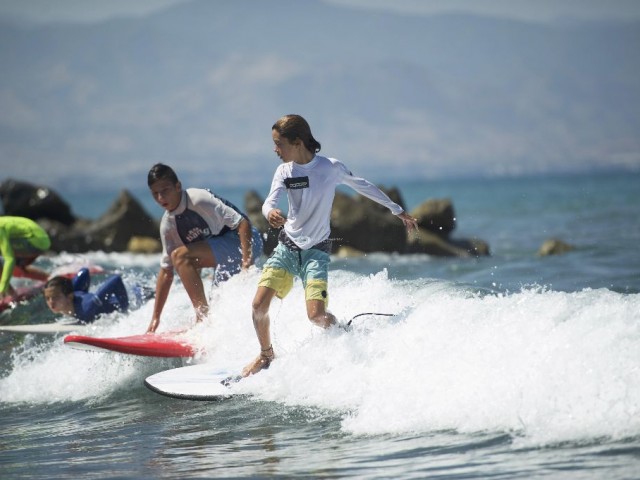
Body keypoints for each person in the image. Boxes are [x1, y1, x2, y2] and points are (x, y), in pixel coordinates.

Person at [242, 114, 419, 377]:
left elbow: (364, 186)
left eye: (279, 143)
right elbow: (269, 201)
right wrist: (269, 213)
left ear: (297, 142)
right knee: (258, 306)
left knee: (316, 316)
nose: (275, 149)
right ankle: (266, 355)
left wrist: (397, 210)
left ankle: (343, 334)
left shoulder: (330, 168)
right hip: (287, 248)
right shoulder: (284, 171)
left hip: (316, 253)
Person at [146, 163, 263, 333]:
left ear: (178, 186)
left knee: (179, 256)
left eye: (165, 190)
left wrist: (247, 263)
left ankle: (201, 319)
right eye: (155, 193)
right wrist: (155, 319)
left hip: (247, 242)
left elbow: (242, 223)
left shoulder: (198, 199)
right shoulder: (168, 225)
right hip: (224, 255)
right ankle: (218, 332)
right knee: (220, 308)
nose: (160, 197)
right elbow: (166, 272)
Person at [44, 268, 131, 323]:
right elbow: (84, 271)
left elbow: (116, 279)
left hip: (136, 295)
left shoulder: (88, 308)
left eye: (55, 297)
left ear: (70, 296)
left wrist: (125, 312)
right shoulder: (73, 293)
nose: (51, 302)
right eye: (47, 298)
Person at [0, 216, 51, 301]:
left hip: (34, 241)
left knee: (8, 263)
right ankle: (49, 278)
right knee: (16, 269)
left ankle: (8, 295)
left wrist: (2, 287)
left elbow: (10, 259)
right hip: (39, 240)